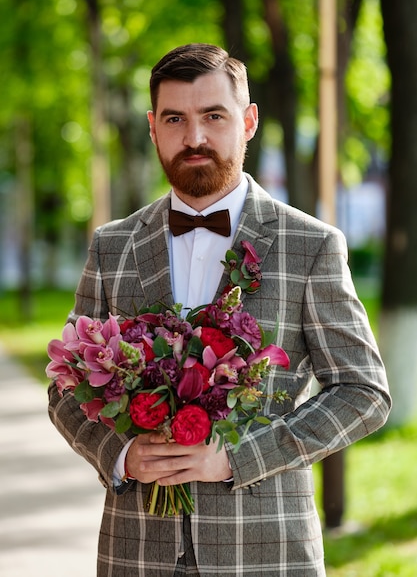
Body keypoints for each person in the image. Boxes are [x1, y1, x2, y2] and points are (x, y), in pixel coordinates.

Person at [48, 43, 391, 577]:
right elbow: (66, 383)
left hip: (268, 552)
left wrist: (236, 458)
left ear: (248, 120)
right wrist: (119, 455)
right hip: (135, 553)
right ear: (152, 127)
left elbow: (364, 392)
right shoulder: (111, 246)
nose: (195, 137)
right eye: (175, 119)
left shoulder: (310, 245)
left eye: (213, 115)